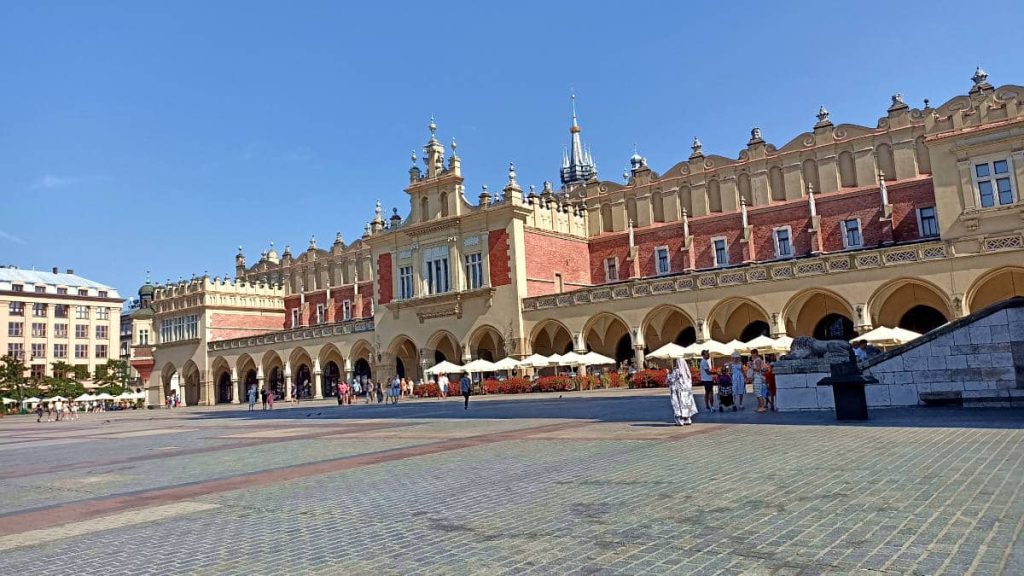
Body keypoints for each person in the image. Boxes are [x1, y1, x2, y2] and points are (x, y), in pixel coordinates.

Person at [669, 358, 699, 425]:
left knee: (678, 405)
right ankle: (688, 419)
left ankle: (680, 420)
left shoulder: (676, 371)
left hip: (678, 392)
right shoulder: (687, 373)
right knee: (686, 404)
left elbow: (671, 380)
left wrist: (669, 373)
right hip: (686, 392)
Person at [750, 348, 767, 413]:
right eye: (752, 354)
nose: (752, 355)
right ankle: (759, 406)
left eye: (753, 354)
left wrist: (751, 366)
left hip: (758, 378)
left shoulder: (757, 360)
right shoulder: (756, 360)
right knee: (757, 393)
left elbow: (758, 369)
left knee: (759, 393)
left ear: (756, 353)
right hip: (756, 377)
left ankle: (762, 407)